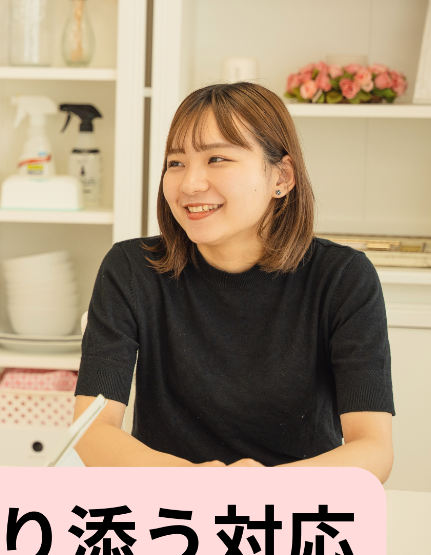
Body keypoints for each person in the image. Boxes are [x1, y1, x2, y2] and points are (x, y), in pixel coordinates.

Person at [73, 82, 394, 479]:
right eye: (176, 163)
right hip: (170, 501)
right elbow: (91, 430)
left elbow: (374, 449)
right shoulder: (132, 268)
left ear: (282, 176)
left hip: (297, 505)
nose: (190, 183)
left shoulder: (342, 277)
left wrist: (260, 490)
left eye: (217, 158)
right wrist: (197, 483)